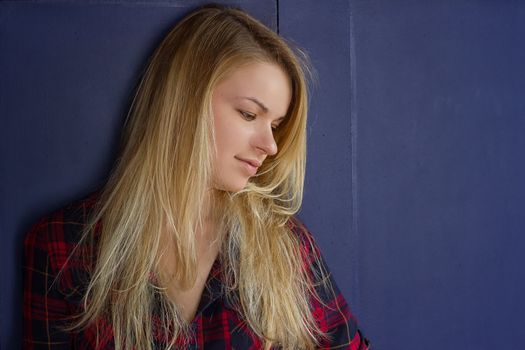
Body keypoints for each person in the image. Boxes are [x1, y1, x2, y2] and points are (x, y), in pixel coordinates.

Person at [23, 4, 371, 350]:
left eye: (276, 126)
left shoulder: (284, 247)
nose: (270, 146)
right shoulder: (63, 247)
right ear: (185, 101)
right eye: (249, 114)